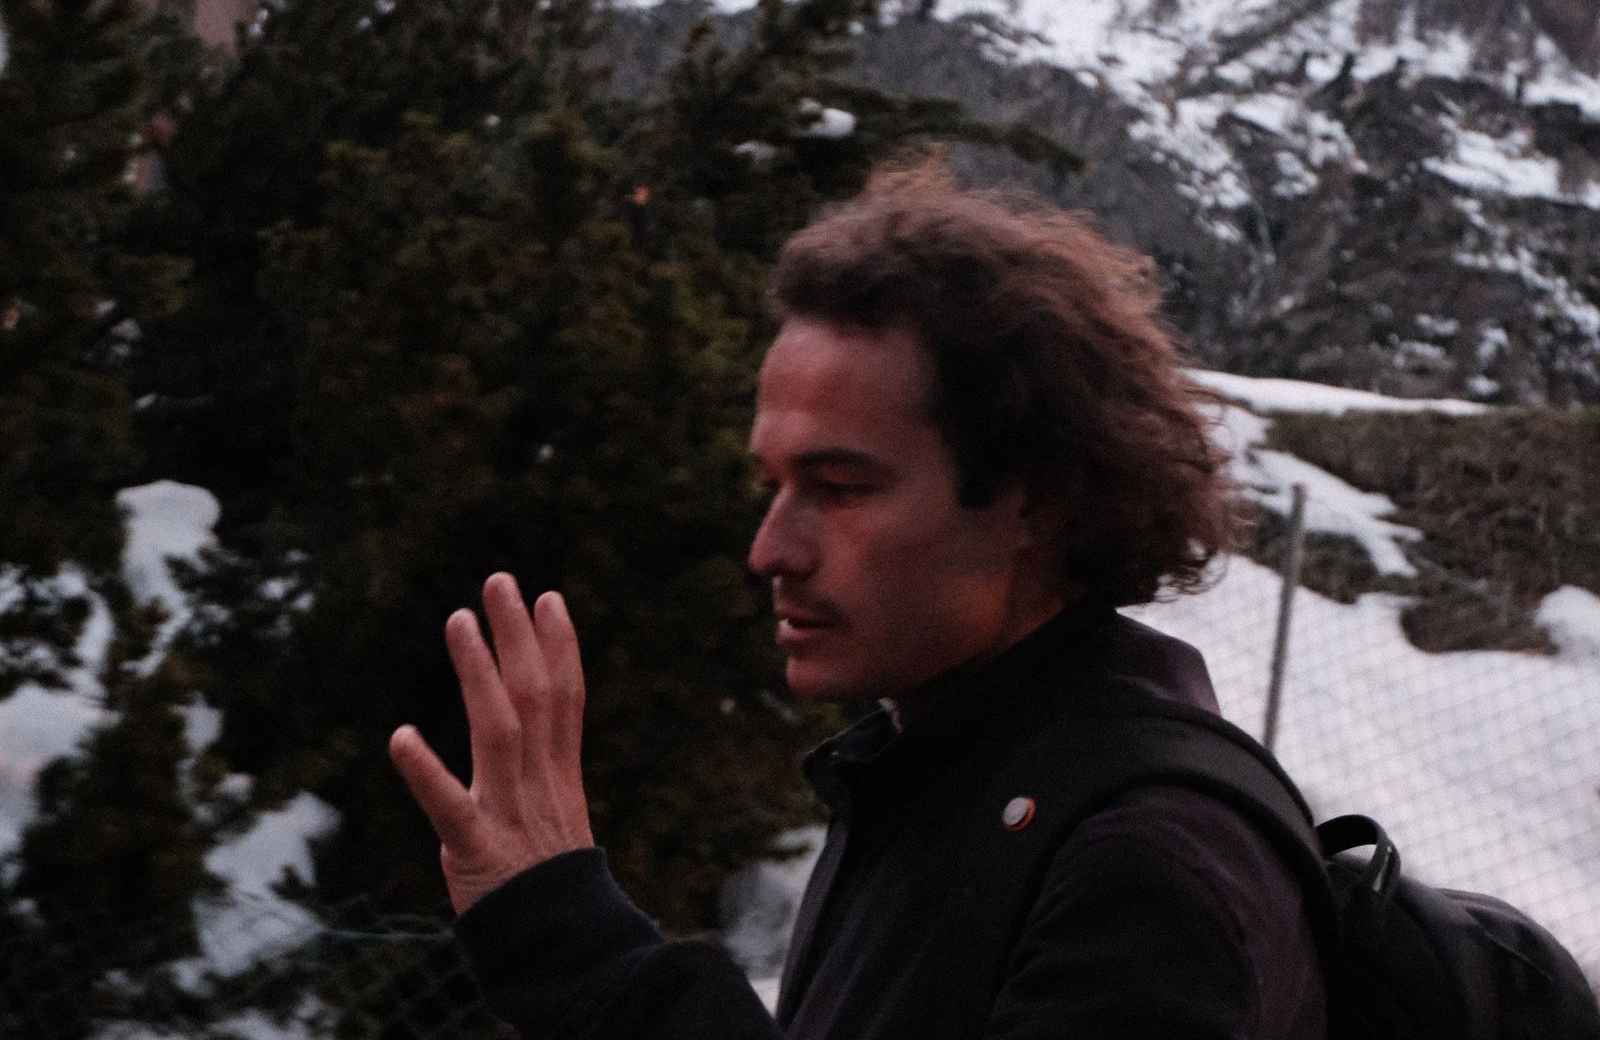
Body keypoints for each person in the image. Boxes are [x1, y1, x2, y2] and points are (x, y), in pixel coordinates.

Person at [387, 164, 1326, 1038]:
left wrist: (582, 953)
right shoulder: (933, 774)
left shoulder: (1145, 869)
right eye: (772, 485)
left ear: (1034, 499)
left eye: (840, 488)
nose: (770, 550)